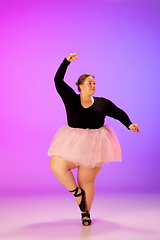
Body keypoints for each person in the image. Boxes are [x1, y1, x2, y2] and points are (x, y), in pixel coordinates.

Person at [48, 53, 140, 226]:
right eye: (89, 82)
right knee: (57, 165)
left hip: (95, 144)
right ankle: (76, 193)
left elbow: (118, 112)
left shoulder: (102, 103)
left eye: (94, 83)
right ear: (80, 86)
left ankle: (85, 213)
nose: (93, 85)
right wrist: (66, 62)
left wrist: (129, 124)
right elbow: (57, 81)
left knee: (86, 181)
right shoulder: (70, 98)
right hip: (73, 141)